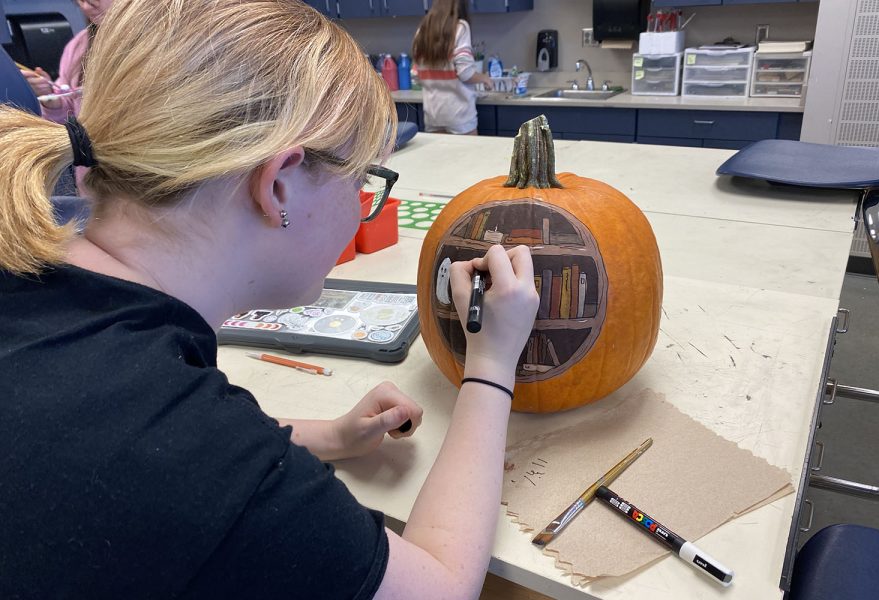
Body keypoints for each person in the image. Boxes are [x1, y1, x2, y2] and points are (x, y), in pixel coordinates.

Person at [0, 1, 539, 599]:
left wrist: (324, 437)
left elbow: (131, 438)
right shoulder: (204, 459)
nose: (364, 201)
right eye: (364, 180)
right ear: (277, 184)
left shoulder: (35, 291)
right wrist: (490, 365)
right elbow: (440, 589)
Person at [18, 0, 114, 123]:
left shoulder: (145, 50)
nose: (85, 5)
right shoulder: (78, 46)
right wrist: (51, 97)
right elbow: (68, 115)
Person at [412, 0, 493, 135]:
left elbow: (415, 74)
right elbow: (465, 73)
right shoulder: (460, 27)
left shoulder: (423, 30)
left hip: (433, 116)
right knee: (469, 156)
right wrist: (484, 78)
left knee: (440, 157)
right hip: (460, 116)